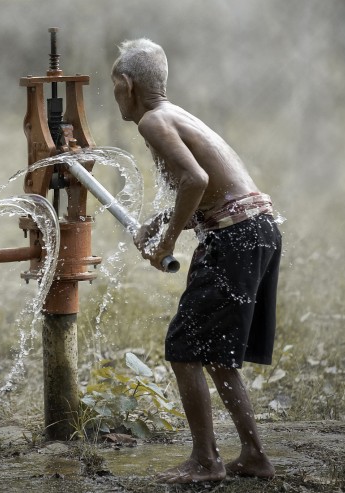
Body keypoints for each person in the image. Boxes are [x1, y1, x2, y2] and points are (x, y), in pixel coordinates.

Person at [110, 39, 281, 483]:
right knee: (217, 354)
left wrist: (165, 243)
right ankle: (254, 456)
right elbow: (209, 190)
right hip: (257, 227)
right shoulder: (176, 114)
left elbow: (195, 179)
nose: (115, 98)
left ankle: (206, 462)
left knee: (185, 348)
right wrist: (158, 223)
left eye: (114, 88)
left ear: (126, 85)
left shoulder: (152, 120)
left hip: (237, 236)